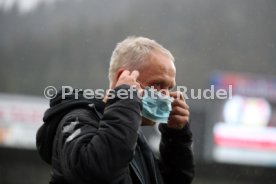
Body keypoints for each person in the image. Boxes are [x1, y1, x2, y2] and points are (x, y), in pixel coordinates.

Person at [36, 36, 195, 184]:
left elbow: (174, 180)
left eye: (169, 88)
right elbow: (97, 173)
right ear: (122, 78)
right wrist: (125, 100)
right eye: (157, 84)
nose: (166, 96)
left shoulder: (131, 135)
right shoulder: (77, 119)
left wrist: (176, 137)